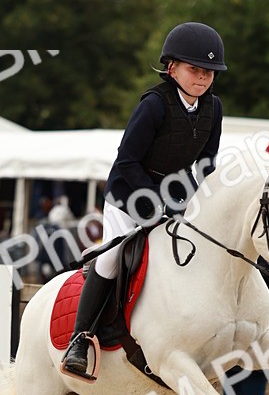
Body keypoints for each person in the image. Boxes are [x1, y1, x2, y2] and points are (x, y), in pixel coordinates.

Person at [61, 22, 226, 376]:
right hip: (129, 194)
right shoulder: (154, 104)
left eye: (209, 72)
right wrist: (153, 202)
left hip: (176, 195)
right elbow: (127, 160)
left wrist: (211, 199)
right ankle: (80, 339)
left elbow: (207, 162)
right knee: (112, 260)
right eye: (194, 69)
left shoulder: (214, 108)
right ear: (172, 68)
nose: (202, 78)